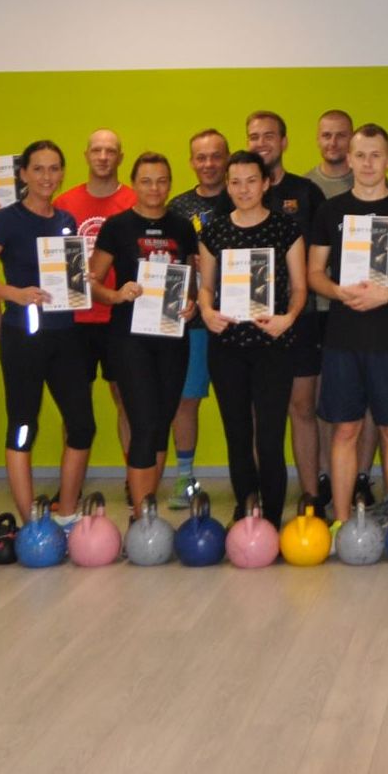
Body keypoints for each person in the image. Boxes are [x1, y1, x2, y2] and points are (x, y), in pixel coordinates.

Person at [0, 140, 95, 526]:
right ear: (23, 174)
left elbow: (69, 275)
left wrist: (81, 279)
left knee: (83, 424)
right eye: (38, 169)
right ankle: (30, 523)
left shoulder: (67, 220)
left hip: (66, 335)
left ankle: (67, 513)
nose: (46, 177)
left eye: (54, 169)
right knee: (24, 424)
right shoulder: (5, 220)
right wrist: (15, 294)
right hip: (24, 336)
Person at [308, 125, 388, 523]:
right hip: (343, 337)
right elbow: (313, 272)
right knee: (344, 431)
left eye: (376, 155)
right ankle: (344, 520)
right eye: (360, 155)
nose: (367, 163)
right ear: (349, 160)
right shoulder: (330, 211)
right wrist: (338, 292)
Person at [197, 150, 307, 525]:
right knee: (238, 435)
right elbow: (206, 288)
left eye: (250, 181)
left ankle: (272, 517)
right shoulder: (214, 231)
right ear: (227, 186)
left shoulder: (286, 228)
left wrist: (287, 319)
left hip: (273, 346)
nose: (243, 189)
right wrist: (207, 311)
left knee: (270, 437)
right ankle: (246, 512)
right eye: (235, 182)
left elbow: (300, 287)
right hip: (227, 347)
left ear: (266, 183)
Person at [91, 152, 198, 518]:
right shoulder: (117, 226)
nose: (155, 188)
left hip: (172, 337)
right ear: (134, 184)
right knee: (143, 424)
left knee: (162, 421)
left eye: (162, 180)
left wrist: (193, 304)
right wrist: (116, 295)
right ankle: (141, 516)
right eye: (147, 180)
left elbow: (194, 282)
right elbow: (90, 281)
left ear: (170, 183)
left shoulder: (183, 227)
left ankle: (148, 508)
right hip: (129, 340)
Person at [246, 111, 340, 510]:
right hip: (249, 320)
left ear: (284, 141)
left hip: (303, 317)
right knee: (258, 411)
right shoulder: (238, 194)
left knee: (303, 407)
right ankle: (260, 496)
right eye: (254, 136)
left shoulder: (305, 192)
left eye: (269, 135)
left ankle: (311, 496)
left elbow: (324, 252)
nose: (261, 142)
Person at [53, 129, 137, 494]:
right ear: (86, 155)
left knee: (127, 401)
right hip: (75, 321)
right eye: (97, 150)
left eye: (111, 151)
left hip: (121, 318)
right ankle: (69, 485)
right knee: (74, 407)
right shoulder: (65, 202)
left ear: (120, 157)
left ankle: (134, 477)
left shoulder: (135, 201)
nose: (103, 156)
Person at [164, 128, 231, 508]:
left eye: (215, 156)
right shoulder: (176, 208)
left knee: (243, 403)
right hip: (190, 323)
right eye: (201, 157)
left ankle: (246, 476)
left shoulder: (242, 198)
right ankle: (184, 478)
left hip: (236, 321)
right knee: (186, 401)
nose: (208, 164)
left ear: (226, 158)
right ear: (192, 162)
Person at [305, 109, 354, 199]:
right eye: (326, 135)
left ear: (352, 139)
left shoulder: (373, 184)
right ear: (318, 140)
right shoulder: (304, 187)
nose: (333, 143)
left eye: (340, 135)